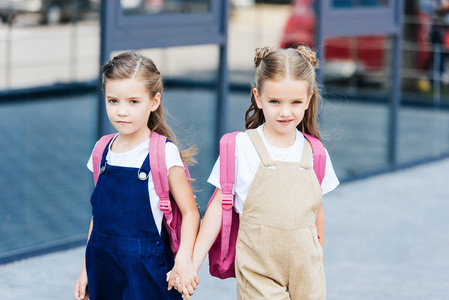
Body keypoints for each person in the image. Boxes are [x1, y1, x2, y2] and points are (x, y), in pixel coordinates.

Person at [172, 46, 340, 299]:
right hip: (257, 270)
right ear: (258, 97)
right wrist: (192, 264)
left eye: (295, 102)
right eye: (275, 101)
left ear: (308, 99)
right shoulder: (240, 147)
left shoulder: (316, 152)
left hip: (308, 272)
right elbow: (218, 207)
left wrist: (318, 262)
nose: (285, 112)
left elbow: (318, 213)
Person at [74, 51, 200, 300]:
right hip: (103, 267)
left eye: (133, 101)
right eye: (113, 101)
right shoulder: (101, 150)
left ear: (154, 102)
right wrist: (86, 268)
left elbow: (190, 212)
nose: (122, 111)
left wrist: (184, 260)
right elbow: (97, 216)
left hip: (147, 272)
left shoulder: (163, 153)